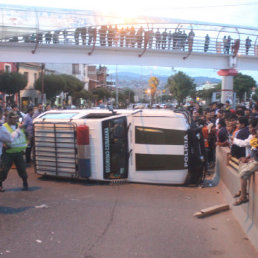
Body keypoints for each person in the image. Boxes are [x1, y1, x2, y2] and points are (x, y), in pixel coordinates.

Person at [0, 111, 28, 192]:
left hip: (18, 152)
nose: (16, 119)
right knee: (3, 170)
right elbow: (6, 138)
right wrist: (4, 145)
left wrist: (25, 145)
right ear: (9, 118)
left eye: (17, 118)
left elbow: (24, 135)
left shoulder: (19, 126)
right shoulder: (3, 126)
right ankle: (0, 184)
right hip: (7, 152)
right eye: (14, 118)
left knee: (22, 168)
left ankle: (25, 183)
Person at [233, 119, 258, 205]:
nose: (249, 129)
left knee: (243, 174)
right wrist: (247, 157)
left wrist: (250, 159)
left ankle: (243, 197)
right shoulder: (253, 136)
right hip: (254, 159)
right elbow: (253, 150)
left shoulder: (255, 137)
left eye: (251, 128)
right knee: (242, 165)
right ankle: (242, 191)